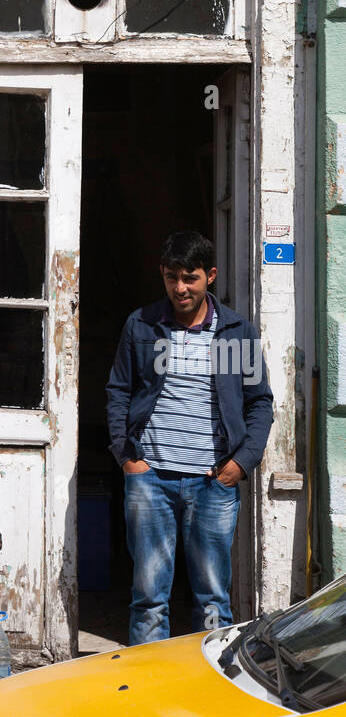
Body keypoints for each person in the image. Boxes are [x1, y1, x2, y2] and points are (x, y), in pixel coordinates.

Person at [105, 230, 274, 645]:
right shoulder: (142, 325)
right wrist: (128, 457)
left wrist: (240, 463)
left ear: (210, 276)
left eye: (190, 278)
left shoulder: (237, 332)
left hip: (214, 481)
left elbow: (260, 404)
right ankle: (145, 686)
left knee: (214, 599)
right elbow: (119, 391)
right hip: (151, 478)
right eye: (171, 278)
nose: (180, 288)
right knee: (148, 596)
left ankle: (211, 691)